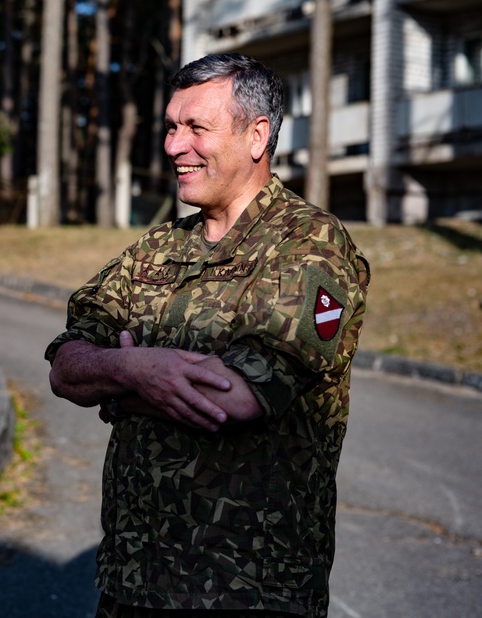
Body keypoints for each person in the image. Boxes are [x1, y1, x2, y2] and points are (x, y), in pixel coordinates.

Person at [46, 53, 370, 618]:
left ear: (256, 136)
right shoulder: (156, 248)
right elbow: (66, 366)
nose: (175, 146)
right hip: (133, 581)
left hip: (249, 589)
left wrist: (118, 389)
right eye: (172, 126)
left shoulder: (308, 244)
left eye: (196, 127)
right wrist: (134, 370)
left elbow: (237, 397)